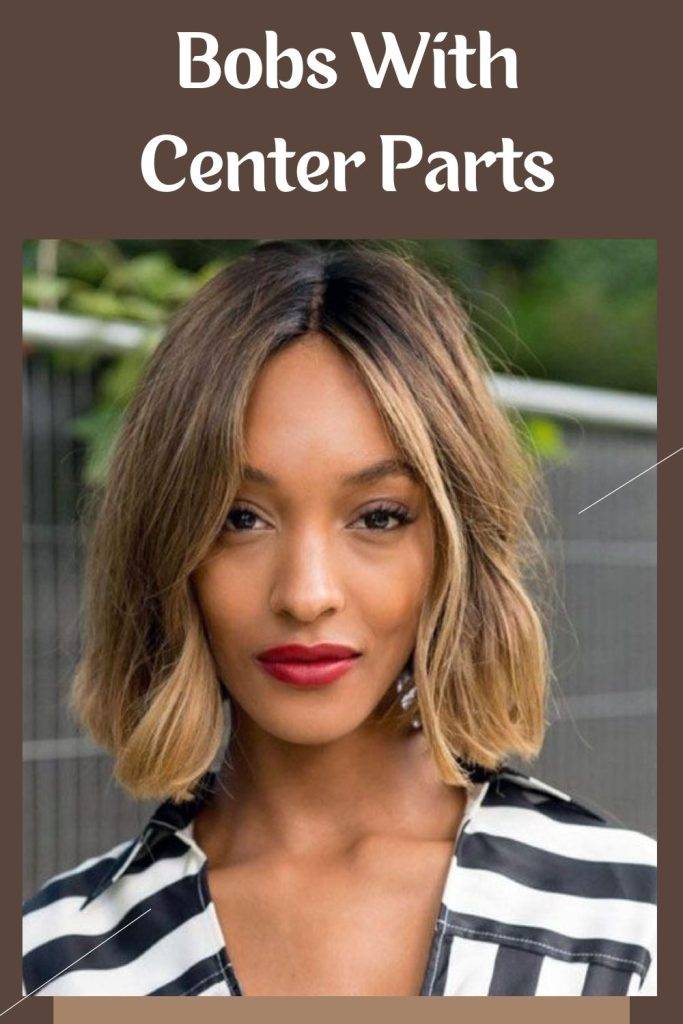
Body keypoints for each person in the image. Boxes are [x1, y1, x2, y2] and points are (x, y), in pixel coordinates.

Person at [22, 242, 656, 997]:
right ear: (166, 549)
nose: (306, 593)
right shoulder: (57, 958)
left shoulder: (632, 923)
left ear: (454, 544)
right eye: (239, 518)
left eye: (379, 517)